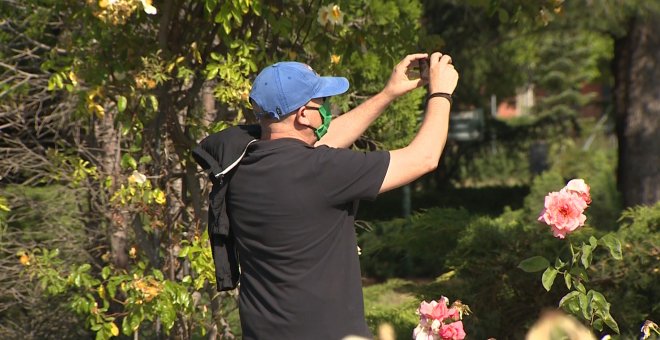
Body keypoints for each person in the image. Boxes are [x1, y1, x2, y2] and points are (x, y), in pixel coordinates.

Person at [193, 52, 458, 339]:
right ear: (304, 114)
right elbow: (424, 158)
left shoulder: (238, 164)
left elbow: (318, 140)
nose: (327, 111)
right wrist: (441, 93)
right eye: (321, 103)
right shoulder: (323, 171)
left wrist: (387, 94)